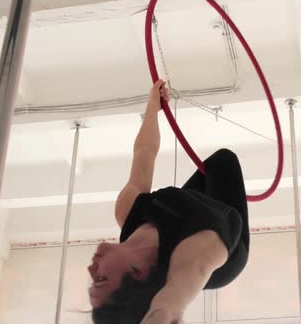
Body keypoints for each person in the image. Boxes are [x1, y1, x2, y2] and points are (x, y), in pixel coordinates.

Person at [88, 80, 249, 324]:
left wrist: (153, 106)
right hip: (225, 241)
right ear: (137, 272)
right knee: (224, 161)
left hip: (185, 211)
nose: (91, 270)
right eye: (101, 279)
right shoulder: (194, 255)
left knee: (215, 164)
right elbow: (169, 305)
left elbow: (145, 152)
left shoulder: (128, 211)